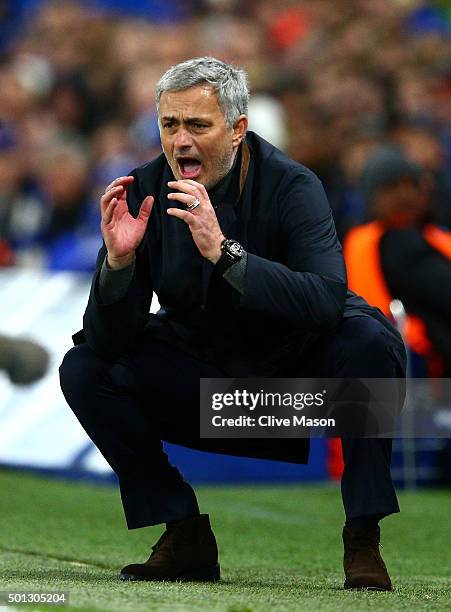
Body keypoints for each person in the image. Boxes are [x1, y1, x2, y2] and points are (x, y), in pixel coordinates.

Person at [59, 57, 406, 590]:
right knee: (84, 366)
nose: (181, 141)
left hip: (300, 395)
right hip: (219, 394)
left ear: (238, 129)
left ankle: (362, 535)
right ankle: (185, 533)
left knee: (369, 339)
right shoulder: (144, 190)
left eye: (198, 125)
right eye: (169, 125)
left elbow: (324, 300)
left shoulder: (293, 184)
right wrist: (120, 266)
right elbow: (109, 342)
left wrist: (227, 254)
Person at [344, 146, 451, 376]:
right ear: (371, 197)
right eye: (391, 187)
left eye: (412, 185)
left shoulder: (433, 236)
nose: (405, 194)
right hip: (418, 370)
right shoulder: (396, 241)